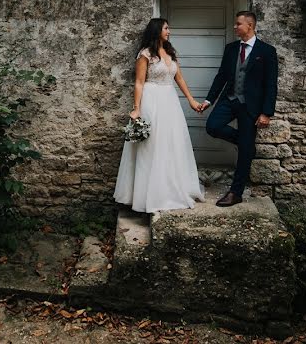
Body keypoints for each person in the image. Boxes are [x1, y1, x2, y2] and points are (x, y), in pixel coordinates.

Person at [114, 18, 205, 213]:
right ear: (157, 30)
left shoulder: (170, 52)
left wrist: (191, 100)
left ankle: (171, 187)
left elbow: (178, 77)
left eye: (168, 28)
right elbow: (139, 82)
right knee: (152, 145)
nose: (169, 31)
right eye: (166, 28)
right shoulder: (145, 54)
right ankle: (150, 194)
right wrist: (136, 108)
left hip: (169, 101)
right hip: (152, 100)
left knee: (172, 143)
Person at [200, 11, 279, 207]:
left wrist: (266, 113)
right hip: (229, 99)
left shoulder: (267, 51)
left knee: (244, 152)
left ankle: (236, 192)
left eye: (238, 24)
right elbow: (221, 76)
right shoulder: (231, 48)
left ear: (250, 26)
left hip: (251, 106)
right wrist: (209, 100)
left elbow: (271, 84)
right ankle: (246, 144)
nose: (235, 27)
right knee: (213, 126)